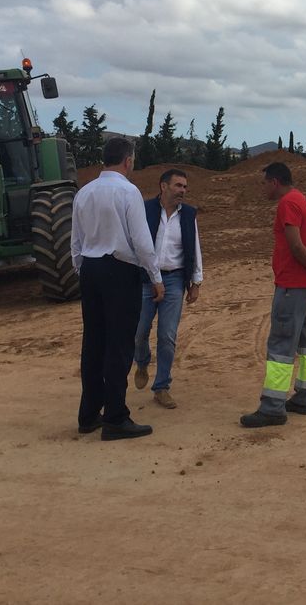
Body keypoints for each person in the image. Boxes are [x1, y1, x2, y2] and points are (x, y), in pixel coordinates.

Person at [70, 137, 164, 441]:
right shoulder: (128, 191)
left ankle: (88, 414)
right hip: (119, 270)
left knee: (93, 343)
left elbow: (75, 241)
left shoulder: (83, 193)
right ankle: (115, 417)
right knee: (119, 344)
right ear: (128, 161)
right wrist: (156, 277)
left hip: (91, 269)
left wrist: (82, 270)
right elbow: (141, 241)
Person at [241, 162, 306, 429]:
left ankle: (272, 407)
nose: (262, 188)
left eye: (264, 183)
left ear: (275, 182)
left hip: (292, 285)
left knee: (281, 346)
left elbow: (295, 244)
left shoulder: (287, 204)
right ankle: (304, 397)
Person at [132, 168, 203, 409]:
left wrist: (196, 282)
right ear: (163, 186)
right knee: (139, 331)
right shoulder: (144, 209)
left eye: (185, 187)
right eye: (178, 185)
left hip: (174, 280)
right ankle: (141, 361)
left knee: (167, 335)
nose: (183, 190)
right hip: (145, 279)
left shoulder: (189, 214)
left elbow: (195, 248)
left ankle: (161, 386)